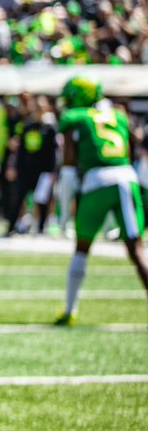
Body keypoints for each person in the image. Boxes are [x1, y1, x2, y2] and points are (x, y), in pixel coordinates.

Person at [54, 77, 148, 325]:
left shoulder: (77, 117)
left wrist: (67, 194)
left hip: (96, 180)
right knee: (136, 249)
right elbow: (126, 149)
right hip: (126, 178)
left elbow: (69, 160)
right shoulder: (118, 115)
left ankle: (70, 309)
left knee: (82, 247)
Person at [4, 97, 57, 237]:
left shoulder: (50, 129)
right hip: (25, 170)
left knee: (42, 200)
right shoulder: (27, 126)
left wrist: (51, 172)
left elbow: (53, 153)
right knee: (18, 199)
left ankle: (40, 229)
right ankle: (11, 227)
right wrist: (14, 167)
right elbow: (20, 150)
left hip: (42, 171)